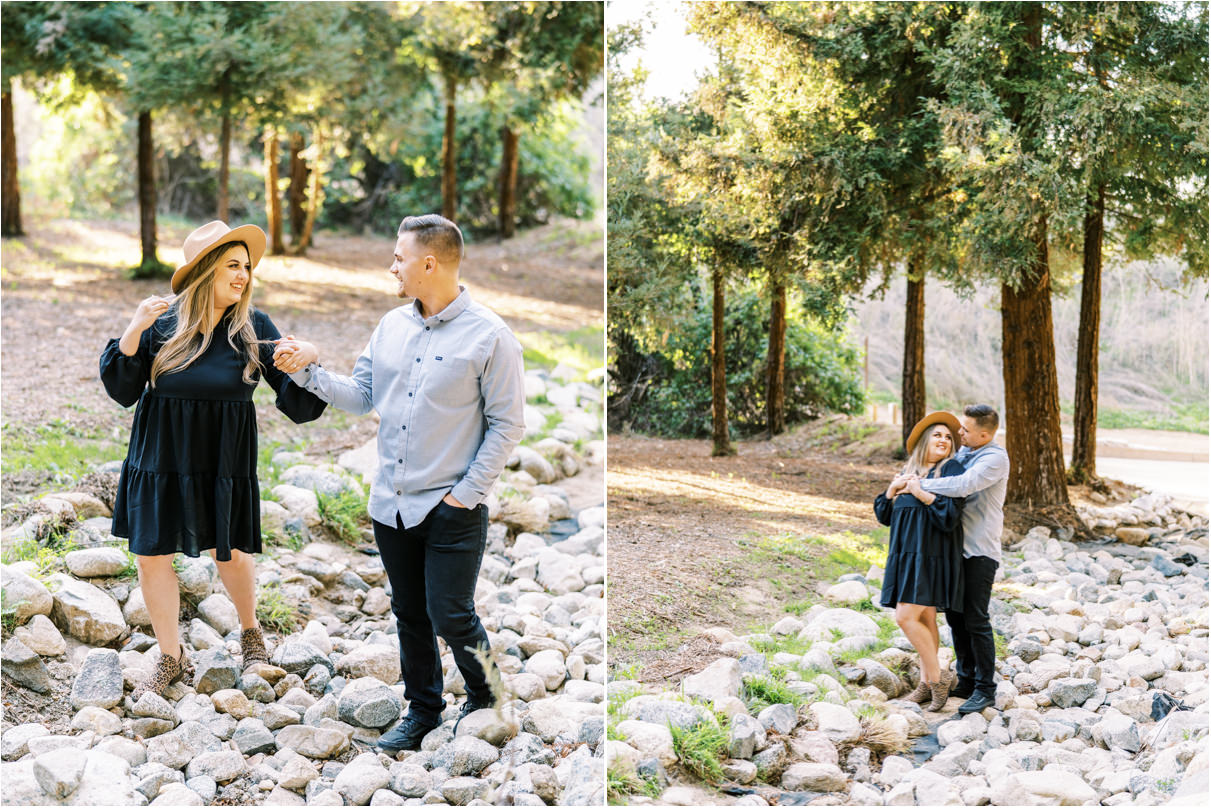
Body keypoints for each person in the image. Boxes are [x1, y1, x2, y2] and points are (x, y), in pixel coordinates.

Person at [271, 214, 526, 753]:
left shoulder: (491, 336)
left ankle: (487, 698)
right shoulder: (390, 326)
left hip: (452, 506)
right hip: (390, 503)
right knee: (409, 613)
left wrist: (465, 496)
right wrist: (308, 369)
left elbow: (507, 424)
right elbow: (363, 395)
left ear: (428, 263)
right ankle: (423, 711)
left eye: (398, 257)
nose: (392, 267)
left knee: (451, 613)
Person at [100, 221, 327, 700]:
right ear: (205, 270)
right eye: (232, 265)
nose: (244, 275)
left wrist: (307, 358)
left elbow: (299, 401)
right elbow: (121, 389)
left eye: (247, 267)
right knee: (150, 553)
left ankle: (250, 633)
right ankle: (171, 656)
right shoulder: (162, 322)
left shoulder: (254, 328)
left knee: (232, 552)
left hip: (223, 460)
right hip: (161, 454)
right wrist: (133, 328)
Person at [903, 403, 1009, 714]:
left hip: (979, 551)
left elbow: (963, 486)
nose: (958, 433)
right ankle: (965, 679)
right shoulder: (964, 452)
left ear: (985, 434)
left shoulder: (993, 458)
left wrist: (920, 486)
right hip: (952, 551)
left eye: (965, 430)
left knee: (976, 619)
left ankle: (985, 689)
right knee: (955, 617)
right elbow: (937, 462)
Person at [875, 411, 965, 712]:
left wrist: (919, 492)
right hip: (905, 555)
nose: (944, 440)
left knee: (904, 617)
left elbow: (951, 515)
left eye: (948, 437)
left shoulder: (949, 469)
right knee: (925, 618)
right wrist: (892, 490)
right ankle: (926, 685)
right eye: (938, 434)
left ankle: (938, 678)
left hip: (930, 556)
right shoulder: (909, 470)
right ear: (925, 440)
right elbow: (885, 516)